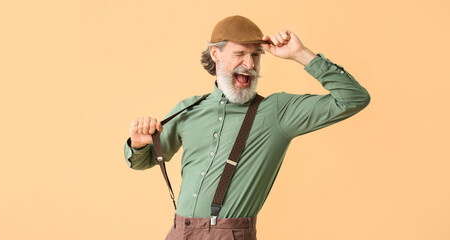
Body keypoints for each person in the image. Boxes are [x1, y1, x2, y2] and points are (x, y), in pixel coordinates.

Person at [123, 15, 370, 240]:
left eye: (255, 55)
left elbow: (353, 99)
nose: (249, 64)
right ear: (215, 54)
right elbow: (143, 161)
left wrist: (300, 53)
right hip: (178, 232)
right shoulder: (188, 109)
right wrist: (137, 144)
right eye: (240, 53)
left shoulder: (277, 112)